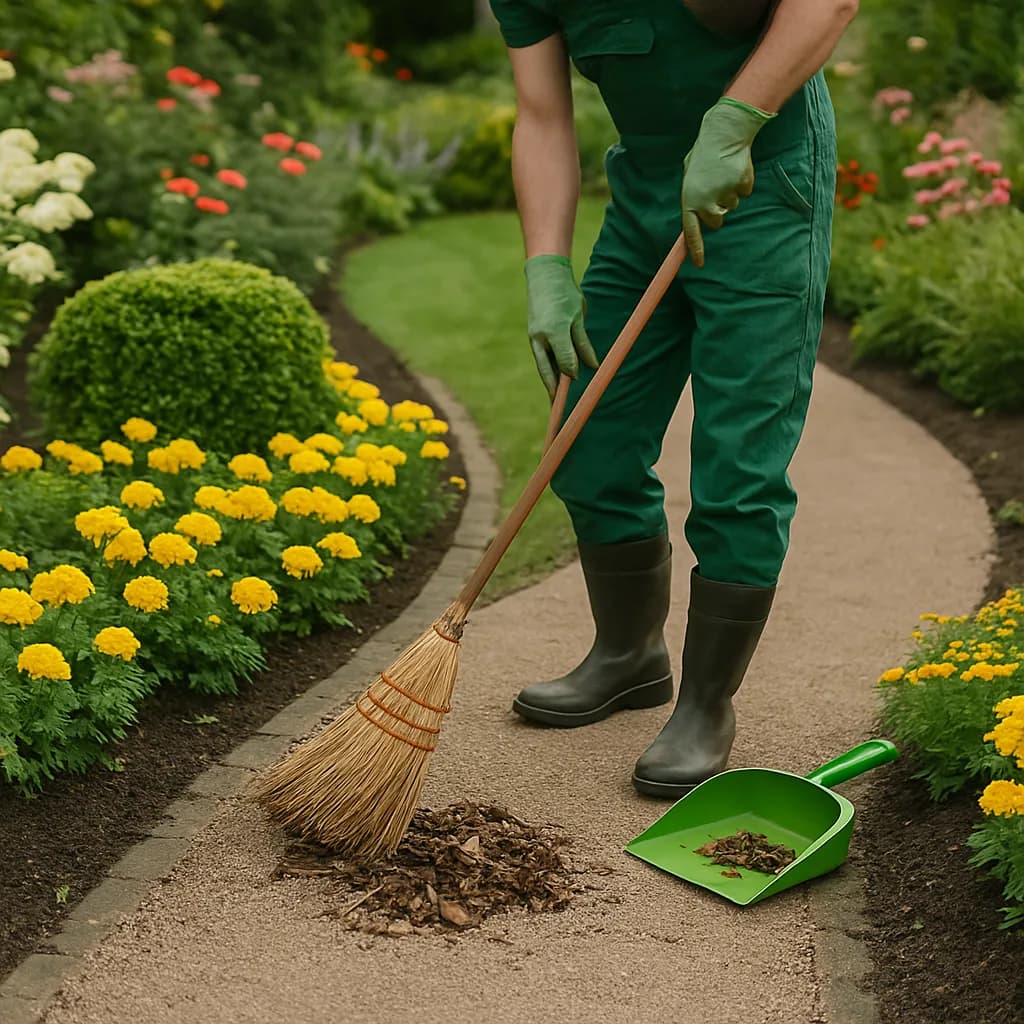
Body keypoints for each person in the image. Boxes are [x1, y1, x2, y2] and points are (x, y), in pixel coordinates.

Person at [488, 0, 859, 798]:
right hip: (645, 196)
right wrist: (546, 269)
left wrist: (733, 122)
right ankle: (628, 657)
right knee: (590, 438)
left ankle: (704, 705)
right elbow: (542, 113)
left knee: (737, 462)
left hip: (764, 174)